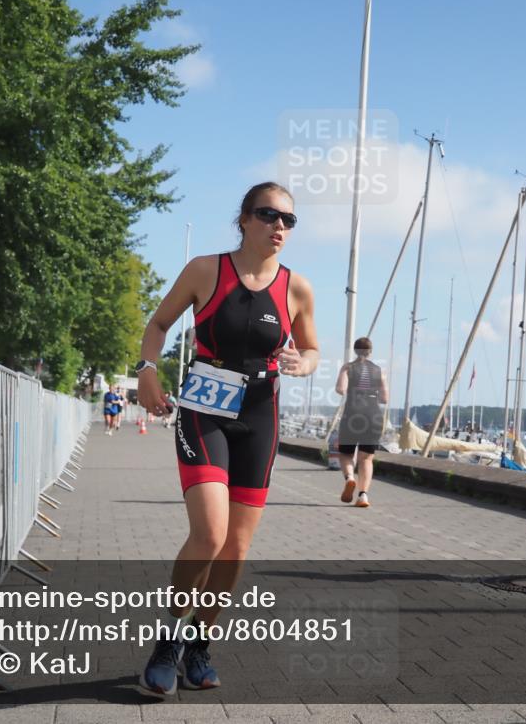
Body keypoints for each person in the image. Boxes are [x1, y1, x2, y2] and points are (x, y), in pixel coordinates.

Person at [135, 182, 319, 694]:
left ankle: (200, 646)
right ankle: (168, 643)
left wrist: (303, 362)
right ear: (243, 219)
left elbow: (312, 348)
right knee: (210, 535)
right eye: (268, 215)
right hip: (205, 408)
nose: (279, 226)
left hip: (260, 413)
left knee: (235, 549)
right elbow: (159, 322)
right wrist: (147, 369)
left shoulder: (296, 288)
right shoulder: (204, 270)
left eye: (288, 220)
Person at [335, 337, 388, 508]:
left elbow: (340, 389)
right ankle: (363, 495)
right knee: (366, 459)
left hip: (352, 414)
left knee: (346, 454)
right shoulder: (380, 371)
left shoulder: (348, 367)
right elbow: (385, 398)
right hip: (373, 416)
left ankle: (350, 478)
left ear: (355, 351)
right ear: (370, 352)